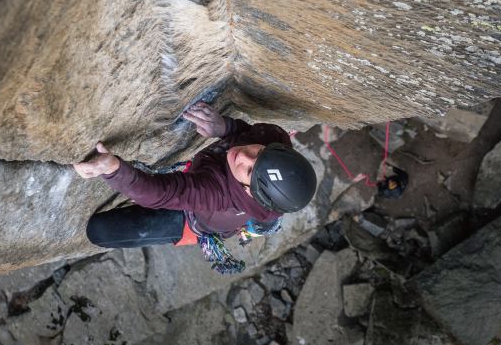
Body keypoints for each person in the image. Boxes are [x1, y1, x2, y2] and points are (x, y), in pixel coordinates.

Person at [72, 102, 317, 271]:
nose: (243, 155)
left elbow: (160, 193)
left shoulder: (216, 193)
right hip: (239, 198)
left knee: (99, 231)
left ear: (247, 191)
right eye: (258, 153)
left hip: (194, 220)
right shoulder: (274, 138)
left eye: (250, 171)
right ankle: (262, 220)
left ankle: (254, 224)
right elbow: (247, 133)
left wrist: (113, 168)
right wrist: (224, 127)